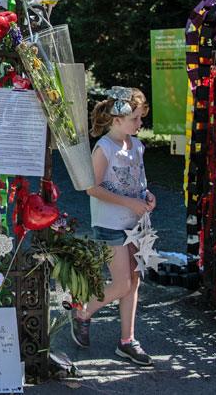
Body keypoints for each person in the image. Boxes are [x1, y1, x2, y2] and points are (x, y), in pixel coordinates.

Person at [70, 86, 156, 366]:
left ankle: (127, 341)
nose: (140, 123)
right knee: (121, 284)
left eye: (141, 118)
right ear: (116, 120)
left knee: (134, 283)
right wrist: (129, 204)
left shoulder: (136, 146)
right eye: (135, 119)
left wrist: (146, 196)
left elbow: (138, 181)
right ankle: (82, 311)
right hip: (110, 225)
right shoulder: (104, 148)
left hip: (135, 225)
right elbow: (91, 188)